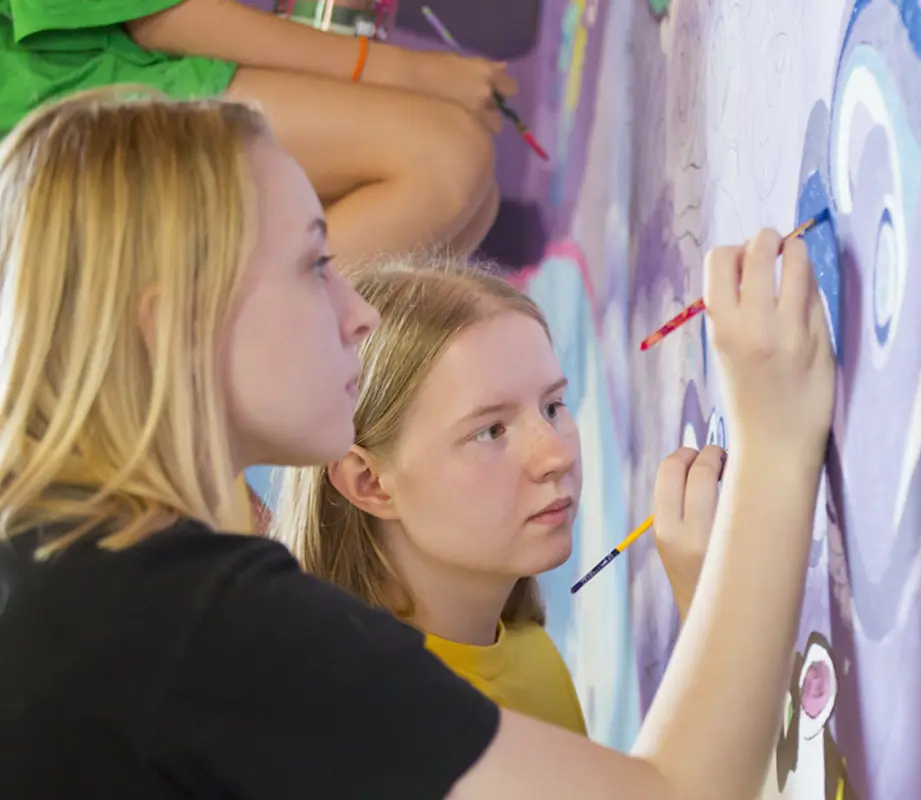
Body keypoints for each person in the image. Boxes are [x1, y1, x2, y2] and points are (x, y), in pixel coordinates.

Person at [0, 88, 835, 799]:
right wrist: (774, 439)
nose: (354, 314)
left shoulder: (66, 571)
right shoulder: (183, 619)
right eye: (311, 264)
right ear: (174, 327)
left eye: (552, 407)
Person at [270, 258, 721, 735]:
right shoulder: (385, 719)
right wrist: (708, 600)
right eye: (491, 431)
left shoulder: (528, 655)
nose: (555, 455)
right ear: (369, 482)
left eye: (552, 407)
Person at [0, 0, 515, 268]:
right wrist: (407, 72)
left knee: (469, 201)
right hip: (65, 116)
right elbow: (167, 19)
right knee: (445, 162)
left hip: (108, 76)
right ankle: (209, 361)